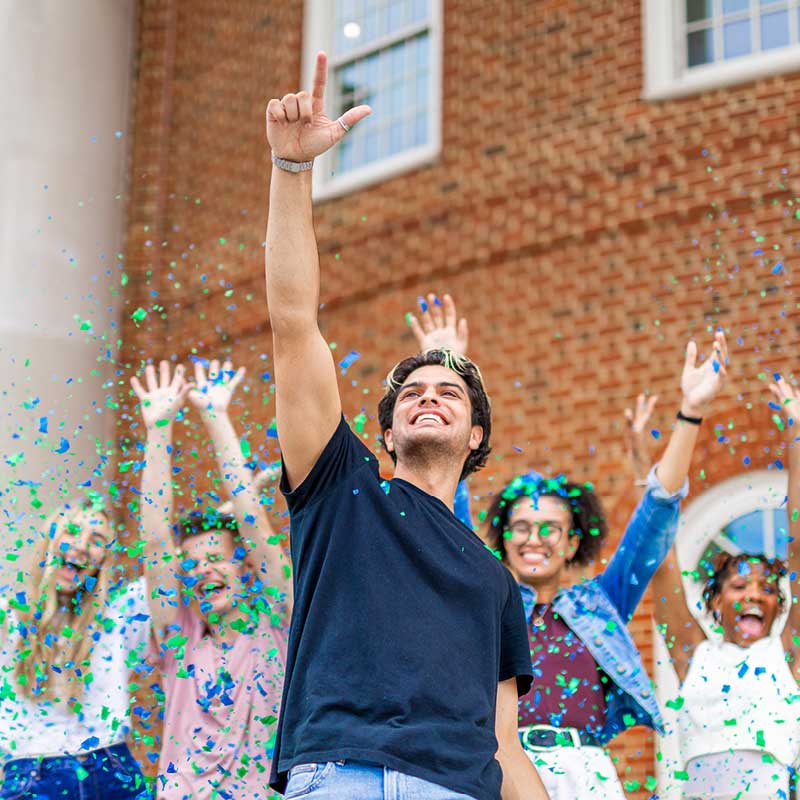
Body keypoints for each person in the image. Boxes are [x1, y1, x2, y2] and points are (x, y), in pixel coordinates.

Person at [264, 53, 547, 800]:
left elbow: (505, 743)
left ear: (477, 436)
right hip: (338, 775)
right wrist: (291, 174)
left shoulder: (493, 579)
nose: (428, 395)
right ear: (384, 434)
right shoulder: (341, 493)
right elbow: (294, 325)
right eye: (411, 391)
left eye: (449, 391)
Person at [408, 294, 729, 798]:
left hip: (585, 772)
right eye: (521, 527)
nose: (534, 539)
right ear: (503, 538)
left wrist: (690, 412)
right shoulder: (485, 598)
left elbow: (656, 514)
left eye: (549, 529)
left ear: (572, 540)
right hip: (497, 768)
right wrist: (451, 367)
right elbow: (454, 490)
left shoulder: (602, 603)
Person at [131, 359, 290, 800]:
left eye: (216, 558)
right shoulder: (178, 637)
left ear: (242, 565)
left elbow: (254, 524)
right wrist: (159, 429)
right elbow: (156, 541)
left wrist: (216, 416)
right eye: (193, 565)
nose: (205, 571)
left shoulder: (275, 620)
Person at [651, 374, 800, 799]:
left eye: (768, 588)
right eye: (739, 585)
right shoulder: (694, 655)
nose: (754, 593)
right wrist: (647, 476)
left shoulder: (785, 655)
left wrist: (796, 433)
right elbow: (661, 565)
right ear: (715, 600)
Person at [0, 497, 151, 799]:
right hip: (33, 778)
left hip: (112, 773)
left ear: (102, 561)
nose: (82, 546)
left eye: (96, 540)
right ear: (49, 542)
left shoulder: (119, 619)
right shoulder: (9, 621)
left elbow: (170, 561)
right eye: (71, 531)